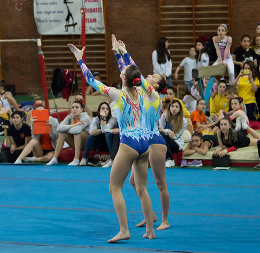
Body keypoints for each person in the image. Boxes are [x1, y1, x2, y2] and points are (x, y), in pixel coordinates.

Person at [68, 42, 156, 242]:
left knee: (114, 188)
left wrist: (80, 60)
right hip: (144, 143)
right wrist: (123, 53)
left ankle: (124, 230)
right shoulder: (143, 91)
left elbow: (92, 82)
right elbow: (134, 72)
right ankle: (151, 231)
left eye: (122, 71)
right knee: (142, 189)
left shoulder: (117, 94)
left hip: (129, 142)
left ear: (123, 78)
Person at [111, 35, 170, 231]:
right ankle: (150, 214)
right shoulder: (140, 93)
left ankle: (165, 220)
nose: (148, 76)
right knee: (133, 181)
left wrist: (125, 52)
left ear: (157, 85)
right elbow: (126, 73)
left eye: (153, 76)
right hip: (142, 140)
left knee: (160, 183)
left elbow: (134, 72)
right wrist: (118, 54)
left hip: (154, 140)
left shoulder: (153, 96)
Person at [47, 100, 91, 166]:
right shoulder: (70, 117)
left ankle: (76, 159)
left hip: (87, 143)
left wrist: (66, 128)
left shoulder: (85, 118)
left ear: (81, 109)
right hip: (76, 143)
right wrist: (73, 125)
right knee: (62, 134)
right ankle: (55, 158)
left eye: (76, 107)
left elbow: (76, 131)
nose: (74, 109)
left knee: (77, 133)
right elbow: (59, 128)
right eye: (73, 107)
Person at [79, 102, 117, 167]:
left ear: (109, 111)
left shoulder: (113, 119)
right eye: (103, 108)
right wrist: (102, 130)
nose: (105, 110)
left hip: (111, 144)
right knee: (91, 136)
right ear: (99, 111)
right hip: (100, 144)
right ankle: (84, 158)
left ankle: (112, 158)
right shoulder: (96, 119)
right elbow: (91, 132)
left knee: (108, 134)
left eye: (107, 109)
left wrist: (103, 118)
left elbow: (106, 129)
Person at [159, 99, 187, 167]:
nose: (174, 109)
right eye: (172, 106)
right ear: (169, 107)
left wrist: (168, 133)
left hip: (176, 143)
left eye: (177, 107)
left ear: (180, 109)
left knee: (164, 137)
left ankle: (170, 159)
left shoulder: (184, 121)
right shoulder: (164, 115)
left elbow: (176, 136)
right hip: (164, 140)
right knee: (161, 136)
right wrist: (167, 131)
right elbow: (159, 129)